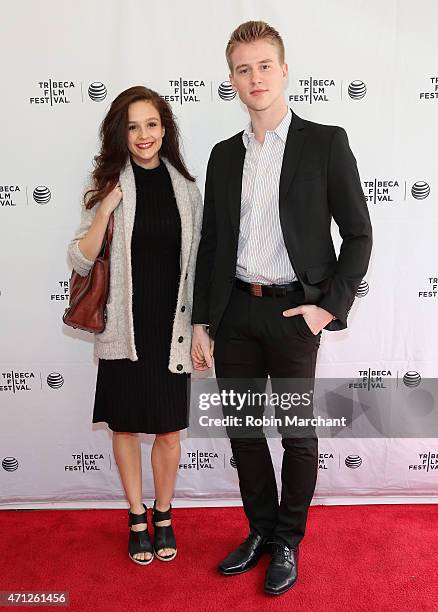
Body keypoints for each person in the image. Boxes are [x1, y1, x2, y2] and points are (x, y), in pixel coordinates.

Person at [191, 21, 372, 595]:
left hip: (295, 314)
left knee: (296, 435)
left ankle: (288, 541)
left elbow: (359, 235)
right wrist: (201, 320)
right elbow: (213, 244)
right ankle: (261, 531)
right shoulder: (222, 156)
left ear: (284, 70)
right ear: (232, 81)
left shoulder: (326, 142)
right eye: (243, 69)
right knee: (245, 436)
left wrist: (328, 308)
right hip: (236, 315)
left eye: (264, 65)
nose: (255, 77)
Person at [68, 86, 202, 565]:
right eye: (132, 126)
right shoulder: (108, 182)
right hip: (124, 330)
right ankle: (136, 516)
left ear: (164, 130)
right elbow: (80, 260)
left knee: (168, 432)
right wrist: (105, 208)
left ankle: (164, 514)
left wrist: (202, 327)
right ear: (120, 133)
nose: (143, 135)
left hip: (171, 331)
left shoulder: (186, 188)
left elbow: (199, 265)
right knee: (124, 427)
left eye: (151, 124)